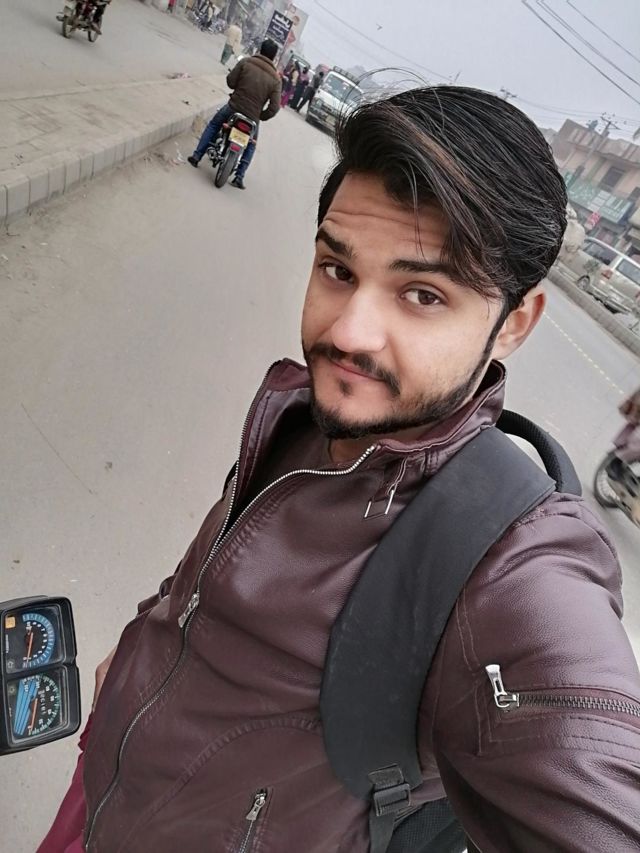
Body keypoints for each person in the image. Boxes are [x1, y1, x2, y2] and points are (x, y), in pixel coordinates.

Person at [39, 87, 640, 853]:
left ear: (513, 323)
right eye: (337, 268)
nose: (348, 332)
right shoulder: (298, 410)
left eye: (422, 294)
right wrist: (143, 646)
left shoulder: (508, 565)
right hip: (98, 788)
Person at [187, 39, 281, 189]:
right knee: (251, 144)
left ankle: (197, 156)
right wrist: (260, 116)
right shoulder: (276, 79)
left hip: (233, 107)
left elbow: (230, 81)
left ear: (260, 50)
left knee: (214, 125)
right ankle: (239, 176)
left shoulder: (246, 62)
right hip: (253, 117)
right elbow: (274, 107)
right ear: (274, 57)